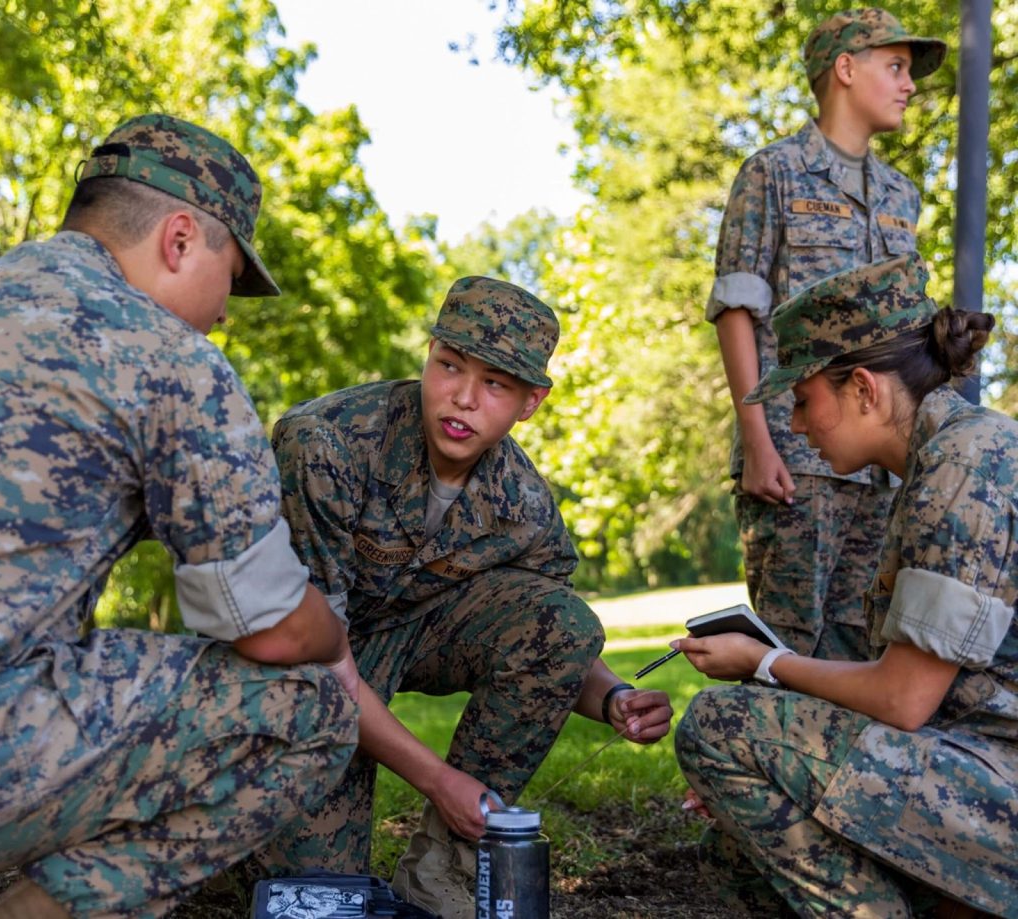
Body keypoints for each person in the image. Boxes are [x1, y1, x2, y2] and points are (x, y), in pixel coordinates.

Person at [0, 114, 360, 918]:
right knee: (314, 709)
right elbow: (270, 629)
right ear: (181, 239)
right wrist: (332, 636)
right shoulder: (167, 357)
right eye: (231, 276)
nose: (226, 312)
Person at [269, 275, 674, 917]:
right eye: (449, 366)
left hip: (415, 639)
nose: (461, 398)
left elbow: (553, 645)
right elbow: (310, 646)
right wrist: (437, 777)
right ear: (428, 357)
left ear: (530, 402)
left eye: (495, 384)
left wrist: (616, 698)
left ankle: (444, 870)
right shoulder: (326, 445)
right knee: (313, 898)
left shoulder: (525, 504)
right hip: (302, 659)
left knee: (566, 621)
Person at [675, 252, 1017, 917]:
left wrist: (767, 663)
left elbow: (903, 698)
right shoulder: (951, 456)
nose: (796, 427)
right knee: (741, 847)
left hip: (1000, 783)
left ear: (864, 387)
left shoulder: (964, 469)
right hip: (988, 768)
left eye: (804, 400)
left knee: (717, 725)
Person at [706, 8, 946, 659]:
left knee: (868, 640)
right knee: (789, 643)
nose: (909, 85)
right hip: (796, 454)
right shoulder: (773, 174)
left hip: (883, 463)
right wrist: (758, 441)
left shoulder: (902, 195)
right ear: (845, 68)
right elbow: (736, 310)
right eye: (895, 66)